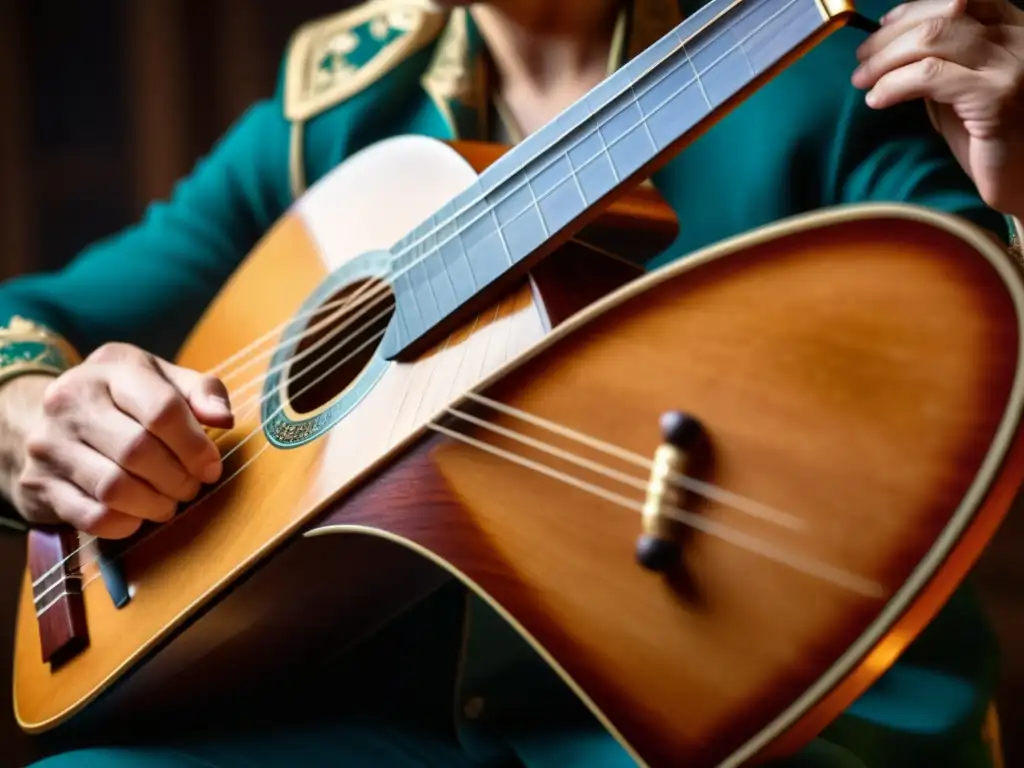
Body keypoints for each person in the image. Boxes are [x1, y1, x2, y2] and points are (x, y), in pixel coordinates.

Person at [1, 0, 1022, 765]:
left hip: (762, 715)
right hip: (386, 725)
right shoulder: (340, 110)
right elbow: (41, 322)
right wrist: (39, 425)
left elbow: (986, 360)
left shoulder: (829, 64)